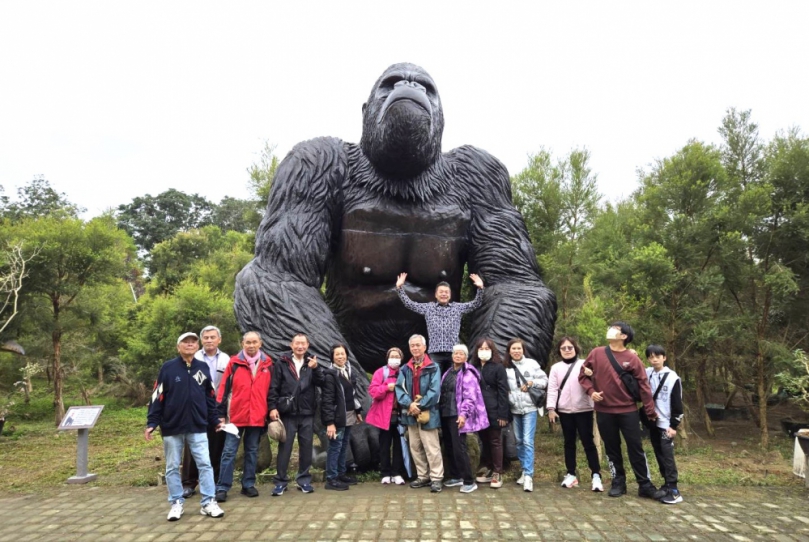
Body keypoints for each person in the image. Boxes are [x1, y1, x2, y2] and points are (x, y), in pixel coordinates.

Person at [145, 332, 225, 521]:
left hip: (198, 426)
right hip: (172, 426)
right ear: (178, 346)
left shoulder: (203, 367)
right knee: (172, 466)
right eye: (185, 342)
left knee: (205, 464)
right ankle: (176, 502)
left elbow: (210, 397)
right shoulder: (168, 368)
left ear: (197, 346)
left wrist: (215, 420)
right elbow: (157, 397)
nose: (189, 345)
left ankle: (208, 502)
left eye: (193, 342)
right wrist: (152, 422)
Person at [578, 322, 658, 499]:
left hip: (628, 410)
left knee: (635, 447)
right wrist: (591, 392)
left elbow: (644, 386)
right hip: (604, 411)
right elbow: (583, 375)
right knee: (612, 448)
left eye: (616, 329)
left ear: (624, 337)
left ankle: (644, 484)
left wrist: (649, 410)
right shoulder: (596, 353)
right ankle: (618, 482)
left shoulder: (633, 358)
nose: (610, 330)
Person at [215, 331, 273, 501]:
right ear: (242, 344)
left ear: (260, 344)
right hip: (235, 417)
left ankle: (248, 484)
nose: (251, 345)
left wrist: (270, 412)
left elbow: (271, 392)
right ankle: (223, 487)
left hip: (256, 416)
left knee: (252, 451)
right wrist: (220, 414)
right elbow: (223, 390)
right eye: (248, 342)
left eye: (254, 342)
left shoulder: (268, 365)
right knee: (229, 452)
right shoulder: (234, 363)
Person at [268, 333, 324, 496]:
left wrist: (316, 368)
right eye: (297, 343)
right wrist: (272, 407)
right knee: (285, 448)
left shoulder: (311, 363)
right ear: (291, 345)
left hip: (307, 413)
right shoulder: (282, 363)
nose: (300, 346)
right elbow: (274, 387)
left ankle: (304, 480)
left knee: (306, 447)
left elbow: (321, 382)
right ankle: (280, 481)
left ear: (307, 346)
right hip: (288, 412)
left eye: (303, 344)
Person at [395, 272, 485, 373]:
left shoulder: (457, 308)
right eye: (441, 292)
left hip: (453, 352)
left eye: (446, 292)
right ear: (436, 294)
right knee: (435, 381)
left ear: (450, 295)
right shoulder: (429, 308)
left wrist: (480, 288)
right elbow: (410, 304)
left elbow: (475, 304)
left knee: (453, 380)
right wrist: (399, 288)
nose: (444, 294)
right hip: (435, 353)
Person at [546, 337, 603, 492]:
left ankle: (596, 475)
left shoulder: (584, 364)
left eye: (569, 347)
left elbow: (597, 383)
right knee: (569, 443)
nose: (567, 350)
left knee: (588, 442)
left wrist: (592, 375)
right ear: (559, 350)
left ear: (575, 348)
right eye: (563, 348)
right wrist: (551, 408)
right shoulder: (556, 368)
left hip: (584, 409)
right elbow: (552, 389)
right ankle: (571, 473)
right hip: (565, 411)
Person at [182, 325, 231, 499]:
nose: (209, 340)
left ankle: (216, 482)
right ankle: (188, 483)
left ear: (219, 339)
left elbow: (229, 387)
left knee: (216, 445)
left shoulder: (226, 359)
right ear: (201, 340)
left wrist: (224, 412)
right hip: (196, 408)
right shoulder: (193, 357)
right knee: (192, 446)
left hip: (218, 408)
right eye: (206, 337)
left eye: (212, 337)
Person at [395, 334, 444, 493]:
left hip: (428, 413)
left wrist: (419, 405)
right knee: (415, 446)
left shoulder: (433, 367)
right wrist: (409, 404)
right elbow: (399, 389)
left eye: (418, 345)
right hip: (410, 413)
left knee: (432, 447)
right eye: (412, 346)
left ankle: (436, 478)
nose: (415, 348)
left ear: (425, 347)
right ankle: (423, 476)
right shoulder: (405, 368)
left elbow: (435, 390)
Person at [440, 344, 489, 493]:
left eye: (461, 354)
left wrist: (463, 415)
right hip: (445, 413)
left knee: (460, 447)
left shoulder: (468, 373)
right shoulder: (449, 371)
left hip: (458, 415)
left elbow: (470, 398)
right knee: (449, 446)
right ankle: (456, 476)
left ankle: (469, 480)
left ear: (466, 357)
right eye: (455, 353)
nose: (458, 356)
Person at [504, 337, 548, 492]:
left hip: (530, 408)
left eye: (519, 348)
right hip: (515, 408)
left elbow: (544, 381)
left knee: (528, 441)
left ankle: (529, 475)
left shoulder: (532, 364)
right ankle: (524, 469)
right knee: (519, 441)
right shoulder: (505, 368)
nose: (516, 351)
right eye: (513, 349)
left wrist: (531, 383)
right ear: (509, 351)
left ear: (523, 350)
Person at [321, 343, 365, 491]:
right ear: (332, 357)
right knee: (335, 446)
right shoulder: (330, 375)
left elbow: (352, 395)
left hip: (349, 414)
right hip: (337, 417)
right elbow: (326, 401)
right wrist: (330, 422)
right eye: (337, 354)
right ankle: (331, 478)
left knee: (343, 445)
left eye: (343, 353)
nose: (341, 356)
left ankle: (341, 473)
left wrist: (358, 411)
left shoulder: (349, 371)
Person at [644, 344, 684, 504]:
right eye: (651, 357)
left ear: (664, 358)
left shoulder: (673, 377)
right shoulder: (648, 373)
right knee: (659, 454)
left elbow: (677, 403)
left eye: (657, 356)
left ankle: (674, 491)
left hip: (667, 424)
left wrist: (674, 426)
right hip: (654, 422)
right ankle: (666, 485)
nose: (654, 359)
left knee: (667, 456)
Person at [468, 338, 509, 489]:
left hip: (494, 410)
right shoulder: (473, 367)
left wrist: (503, 414)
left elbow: (503, 392)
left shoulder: (498, 367)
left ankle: (498, 471)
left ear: (492, 350)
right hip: (478, 411)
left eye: (487, 348)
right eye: (481, 348)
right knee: (484, 440)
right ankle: (489, 468)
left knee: (495, 440)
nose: (483, 351)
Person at [366, 347, 407, 485]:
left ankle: (396, 472)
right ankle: (385, 472)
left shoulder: (405, 372)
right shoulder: (381, 372)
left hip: (401, 415)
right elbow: (373, 391)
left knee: (399, 444)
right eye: (392, 356)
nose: (394, 358)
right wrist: (386, 388)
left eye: (397, 356)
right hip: (384, 415)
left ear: (401, 358)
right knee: (384, 444)